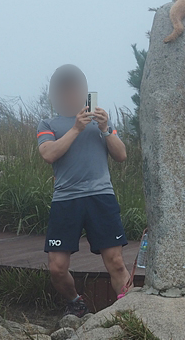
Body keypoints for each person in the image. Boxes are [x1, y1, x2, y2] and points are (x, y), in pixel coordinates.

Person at [36, 64, 132, 317]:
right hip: (66, 199)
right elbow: (48, 154)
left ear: (84, 93)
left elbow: (121, 155)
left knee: (116, 262)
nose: (70, 95)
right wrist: (77, 128)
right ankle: (76, 302)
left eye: (75, 90)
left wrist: (105, 129)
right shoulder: (48, 123)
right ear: (55, 95)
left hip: (101, 197)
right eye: (64, 91)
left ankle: (129, 312)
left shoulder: (100, 122)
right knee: (57, 267)